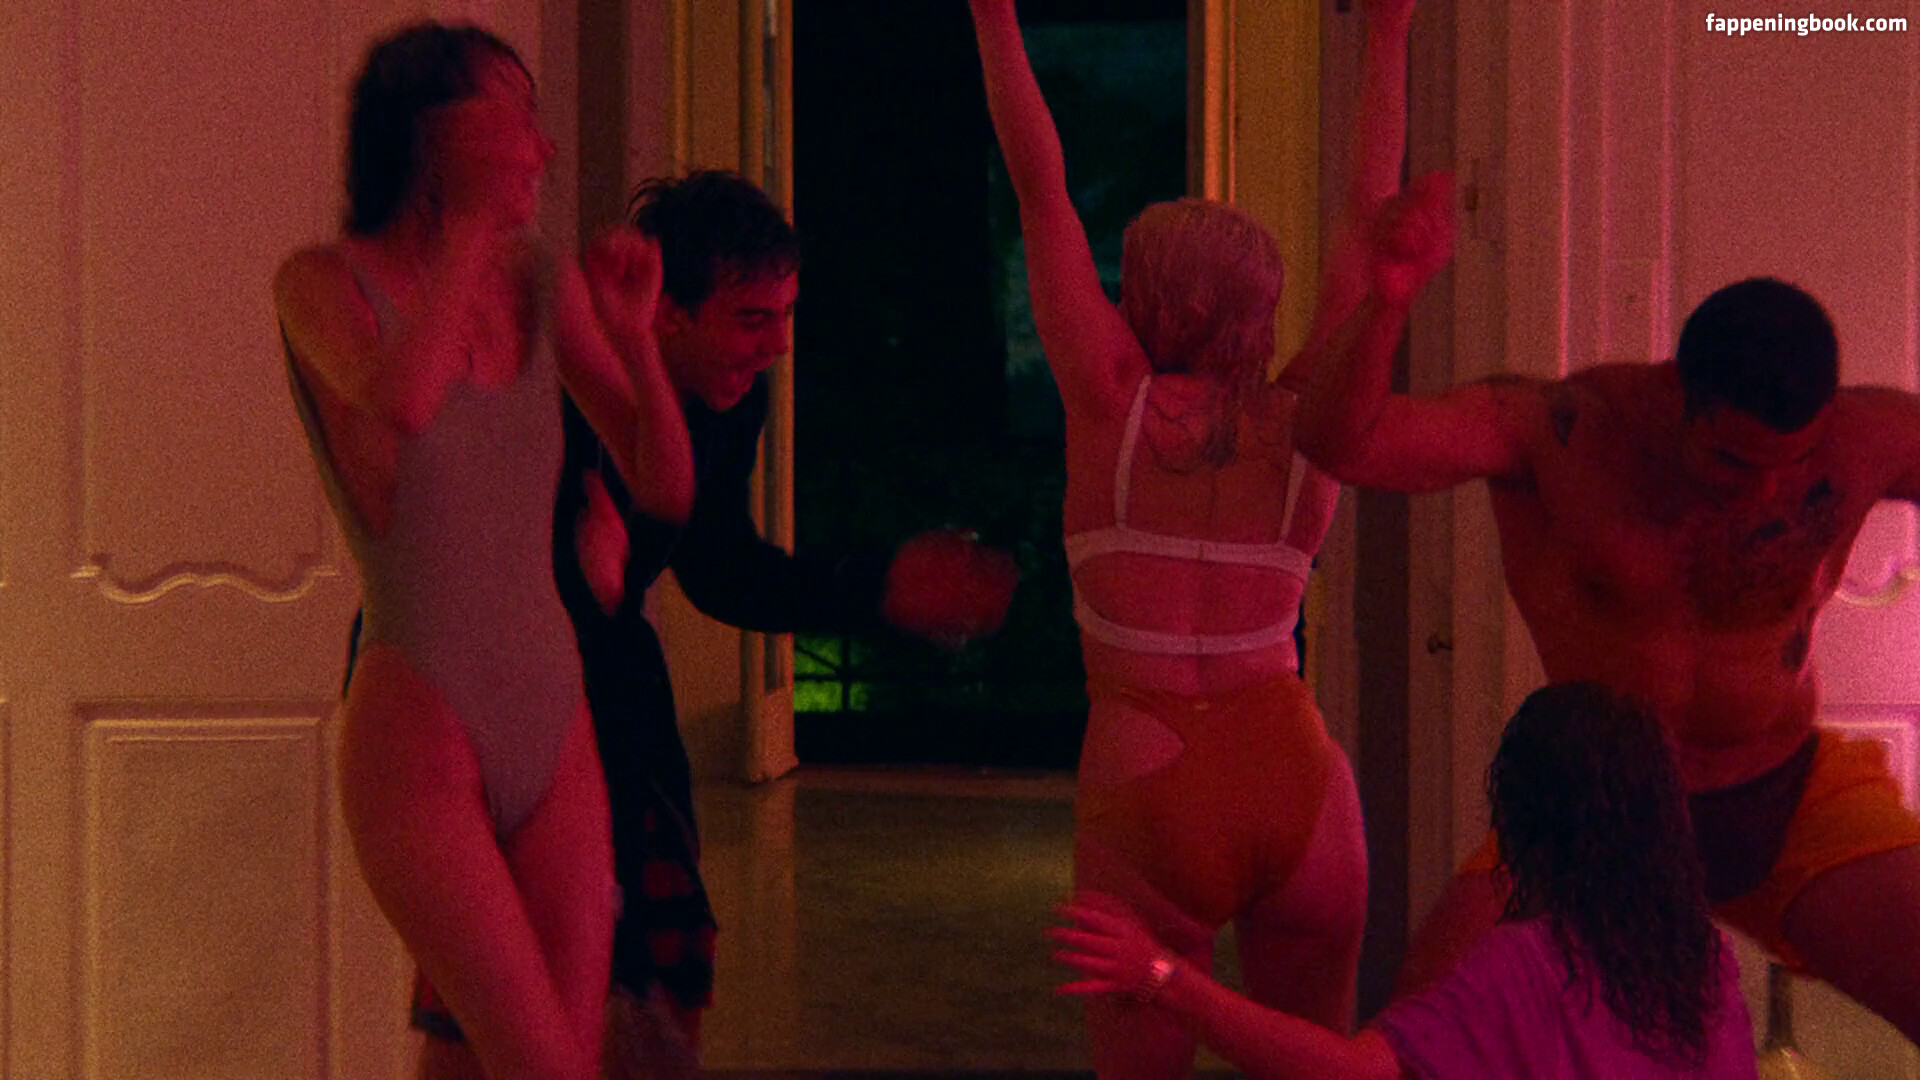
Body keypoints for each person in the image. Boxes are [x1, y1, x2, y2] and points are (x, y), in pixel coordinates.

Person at [1295, 178, 1920, 1044]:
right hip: (1588, 811)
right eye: (1734, 462)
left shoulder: (1867, 439)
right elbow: (1340, 443)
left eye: (1792, 464)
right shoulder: (1562, 431)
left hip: (1783, 796)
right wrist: (1388, 302)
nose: (1766, 491)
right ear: (1675, 389)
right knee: (1421, 1041)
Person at [968, 0, 1416, 1074]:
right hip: (1298, 780)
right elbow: (1368, 233)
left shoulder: (1108, 402)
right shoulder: (1311, 417)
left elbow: (1040, 187)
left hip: (1148, 780)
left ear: (1152, 302)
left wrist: (993, 17)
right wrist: (1389, 34)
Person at [276, 21, 692, 1079]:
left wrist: (638, 343)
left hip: (554, 714)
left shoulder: (541, 281)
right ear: (430, 130)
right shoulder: (321, 283)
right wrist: (466, 225)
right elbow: (402, 400)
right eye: (510, 117)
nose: (538, 149)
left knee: (538, 1060)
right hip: (419, 720)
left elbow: (665, 488)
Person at [555, 169, 1020, 1077]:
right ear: (666, 315)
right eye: (750, 319)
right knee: (549, 964)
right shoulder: (574, 387)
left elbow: (720, 566)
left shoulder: (731, 401)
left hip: (616, 671)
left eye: (785, 315)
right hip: (537, 684)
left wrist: (877, 589)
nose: (775, 345)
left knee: (668, 956)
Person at [1052, 682, 1761, 1080]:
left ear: (1525, 820)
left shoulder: (1527, 966)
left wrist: (1162, 977)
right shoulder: (1706, 963)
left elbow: (1352, 1072)